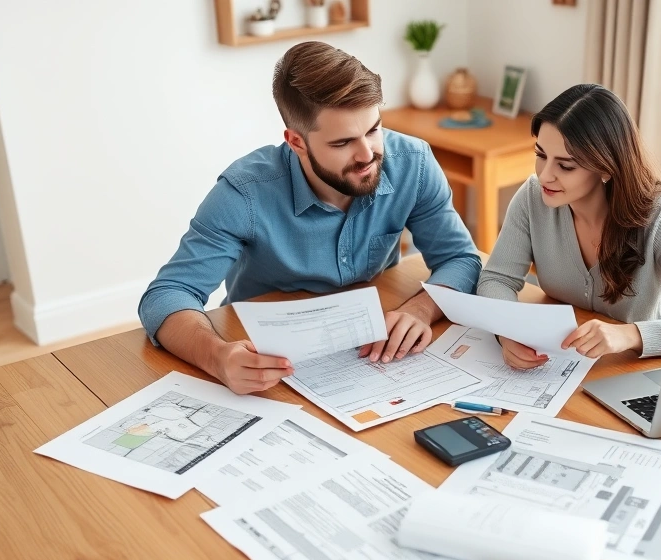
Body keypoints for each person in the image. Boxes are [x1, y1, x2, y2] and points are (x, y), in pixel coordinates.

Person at [139, 42, 481, 394]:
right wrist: (217, 357)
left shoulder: (413, 162)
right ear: (296, 142)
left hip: (370, 353)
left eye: (373, 129)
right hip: (265, 361)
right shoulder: (244, 192)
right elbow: (167, 295)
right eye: (342, 143)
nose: (368, 154)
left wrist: (422, 309)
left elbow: (462, 259)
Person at [478, 84, 661, 369]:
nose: (545, 175)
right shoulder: (532, 198)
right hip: (561, 367)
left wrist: (632, 334)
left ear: (606, 168)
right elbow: (496, 279)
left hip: (638, 369)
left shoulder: (660, 216)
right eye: (541, 155)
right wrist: (507, 332)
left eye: (566, 166)